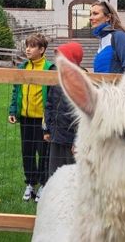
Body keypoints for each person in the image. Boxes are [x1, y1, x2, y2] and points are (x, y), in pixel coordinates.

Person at [8, 33, 52, 202]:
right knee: (27, 152)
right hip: (25, 118)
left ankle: (42, 184)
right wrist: (13, 111)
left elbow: (53, 97)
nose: (27, 49)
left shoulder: (49, 68)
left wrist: (49, 120)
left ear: (42, 50)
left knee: (43, 153)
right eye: (27, 46)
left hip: (42, 121)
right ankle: (30, 183)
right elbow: (15, 91)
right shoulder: (22, 68)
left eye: (32, 46)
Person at [43, 41, 85, 178]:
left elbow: (84, 116)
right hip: (56, 134)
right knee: (54, 172)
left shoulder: (82, 81)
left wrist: (78, 140)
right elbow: (49, 103)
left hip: (71, 139)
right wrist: (47, 128)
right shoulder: (57, 77)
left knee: (73, 174)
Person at [89, 0, 125, 73]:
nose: (90, 18)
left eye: (95, 14)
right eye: (90, 14)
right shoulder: (103, 39)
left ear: (108, 17)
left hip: (117, 84)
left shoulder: (119, 36)